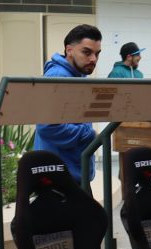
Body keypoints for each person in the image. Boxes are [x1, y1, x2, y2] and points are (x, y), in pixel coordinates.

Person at [35, 24, 102, 183]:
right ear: (69, 50)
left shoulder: (77, 77)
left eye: (97, 53)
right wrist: (89, 135)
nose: (93, 59)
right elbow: (48, 127)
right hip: (60, 178)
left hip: (70, 173)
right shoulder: (58, 78)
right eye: (87, 52)